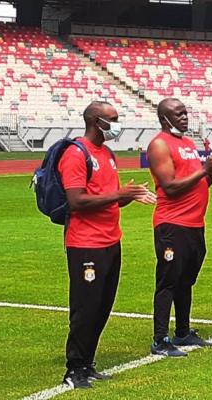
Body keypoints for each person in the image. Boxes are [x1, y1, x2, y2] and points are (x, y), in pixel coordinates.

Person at [59, 101, 156, 389]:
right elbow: (76, 201)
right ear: (95, 121)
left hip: (111, 240)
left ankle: (88, 363)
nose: (117, 124)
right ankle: (74, 369)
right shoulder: (76, 154)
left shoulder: (107, 153)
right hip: (86, 243)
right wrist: (118, 194)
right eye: (112, 119)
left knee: (102, 305)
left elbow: (107, 196)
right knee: (85, 307)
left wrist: (129, 195)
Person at [147, 98, 212, 356]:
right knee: (168, 282)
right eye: (178, 114)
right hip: (172, 224)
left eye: (185, 113)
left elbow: (197, 184)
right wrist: (204, 169)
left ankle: (182, 332)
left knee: (185, 281)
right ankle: (160, 339)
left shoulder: (188, 144)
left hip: (195, 224)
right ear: (164, 118)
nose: (184, 117)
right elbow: (170, 187)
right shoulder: (159, 144)